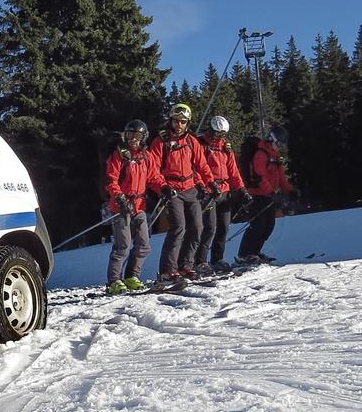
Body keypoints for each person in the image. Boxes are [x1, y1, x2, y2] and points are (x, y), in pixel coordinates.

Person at [148, 103, 220, 282]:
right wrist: (162, 187)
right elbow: (153, 170)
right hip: (171, 190)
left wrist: (211, 183)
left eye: (183, 122)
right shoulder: (161, 142)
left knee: (197, 227)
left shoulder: (191, 141)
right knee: (178, 227)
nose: (179, 125)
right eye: (176, 121)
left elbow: (202, 165)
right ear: (170, 121)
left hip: (190, 188)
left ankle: (186, 264)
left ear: (188, 123)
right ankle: (168, 269)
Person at [103, 120, 164, 295]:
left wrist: (164, 188)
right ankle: (114, 280)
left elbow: (154, 178)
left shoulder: (146, 156)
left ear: (143, 137)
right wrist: (120, 197)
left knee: (144, 245)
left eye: (137, 136)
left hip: (139, 206)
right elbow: (111, 179)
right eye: (129, 135)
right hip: (121, 206)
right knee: (123, 245)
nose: (133, 140)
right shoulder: (119, 155)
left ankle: (131, 276)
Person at [193, 116, 251, 274]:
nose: (219, 137)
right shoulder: (201, 144)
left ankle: (217, 258)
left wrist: (242, 190)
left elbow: (233, 171)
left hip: (224, 191)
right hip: (208, 191)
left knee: (224, 227)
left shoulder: (225, 147)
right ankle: (200, 261)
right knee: (209, 227)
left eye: (222, 134)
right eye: (217, 133)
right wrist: (203, 187)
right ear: (210, 130)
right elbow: (196, 168)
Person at [238, 125, 294, 264]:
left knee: (269, 225)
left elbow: (281, 177)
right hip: (257, 195)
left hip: (268, 197)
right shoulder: (261, 154)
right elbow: (259, 175)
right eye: (278, 144)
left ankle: (255, 252)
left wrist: (290, 191)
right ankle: (244, 255)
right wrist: (271, 192)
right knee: (258, 225)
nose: (280, 147)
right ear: (271, 140)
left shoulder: (275, 156)